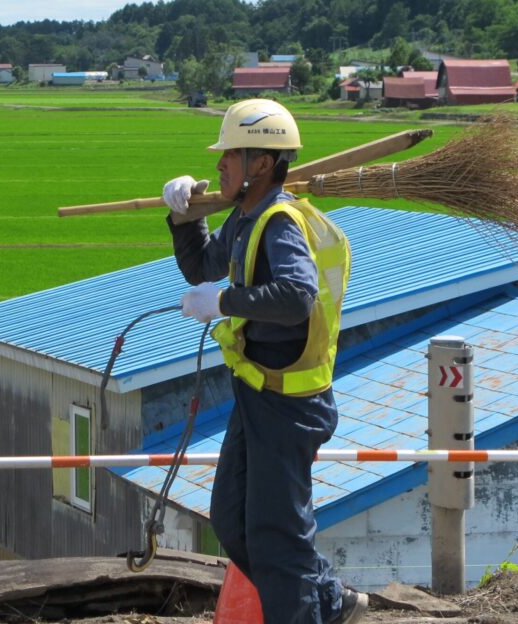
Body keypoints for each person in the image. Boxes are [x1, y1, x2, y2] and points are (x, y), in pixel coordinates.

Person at [162, 99, 366, 624]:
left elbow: (297, 296)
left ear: (260, 163)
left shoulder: (278, 223)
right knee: (233, 522)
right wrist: (182, 215)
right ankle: (330, 599)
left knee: (276, 540)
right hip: (257, 396)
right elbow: (200, 267)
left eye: (229, 154)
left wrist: (224, 303)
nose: (219, 165)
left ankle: (311, 608)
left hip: (289, 406)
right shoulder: (245, 218)